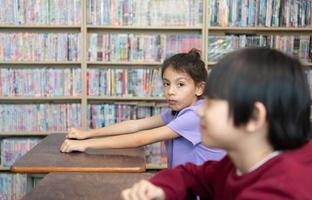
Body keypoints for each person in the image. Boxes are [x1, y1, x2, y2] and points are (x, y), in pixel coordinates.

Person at [121, 47, 312, 200]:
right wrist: (160, 188)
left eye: (211, 101)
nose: (201, 111)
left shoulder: (282, 191)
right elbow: (193, 174)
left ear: (254, 117)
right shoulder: (238, 163)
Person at [60, 49, 226, 167]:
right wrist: (87, 134)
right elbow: (134, 125)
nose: (170, 91)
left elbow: (140, 138)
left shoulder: (196, 115)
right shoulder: (177, 113)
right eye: (166, 84)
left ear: (199, 88)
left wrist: (85, 145)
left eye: (180, 84)